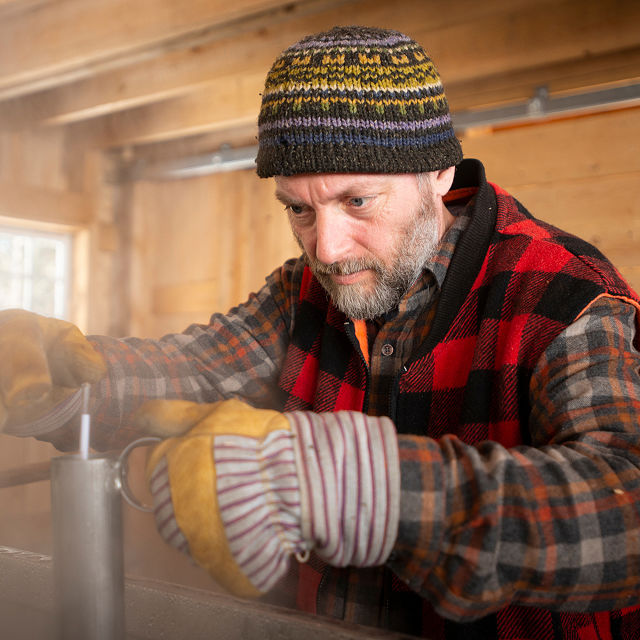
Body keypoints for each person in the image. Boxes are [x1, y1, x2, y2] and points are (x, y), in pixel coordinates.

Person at [1, 25, 640, 640]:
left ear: (438, 176)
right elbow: (193, 370)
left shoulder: (568, 296)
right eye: (299, 210)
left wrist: (366, 488)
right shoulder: (303, 290)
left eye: (356, 202)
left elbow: (624, 509)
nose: (328, 250)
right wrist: (70, 379)